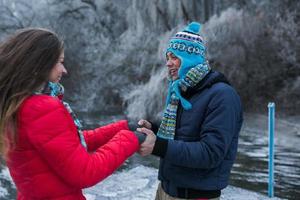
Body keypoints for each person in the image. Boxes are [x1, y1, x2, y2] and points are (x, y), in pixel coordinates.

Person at [0, 28, 145, 200]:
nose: (65, 69)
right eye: (59, 62)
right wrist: (132, 139)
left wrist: (122, 128)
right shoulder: (41, 108)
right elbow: (85, 172)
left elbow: (66, 144)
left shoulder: (16, 104)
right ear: (40, 65)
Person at [137, 22, 243, 200]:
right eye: (167, 57)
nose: (168, 63)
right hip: (165, 189)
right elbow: (182, 136)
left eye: (174, 57)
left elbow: (211, 153)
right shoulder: (182, 89)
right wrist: (154, 131)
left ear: (190, 58)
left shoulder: (222, 96)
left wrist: (158, 146)